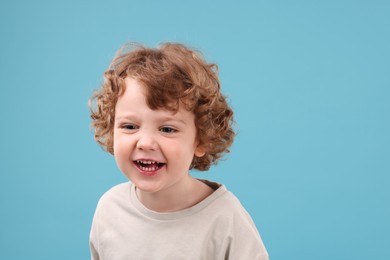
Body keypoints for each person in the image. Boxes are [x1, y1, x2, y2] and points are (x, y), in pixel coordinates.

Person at [88, 42, 269, 259]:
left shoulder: (225, 219)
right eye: (130, 126)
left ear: (201, 139)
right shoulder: (110, 209)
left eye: (167, 129)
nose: (145, 143)